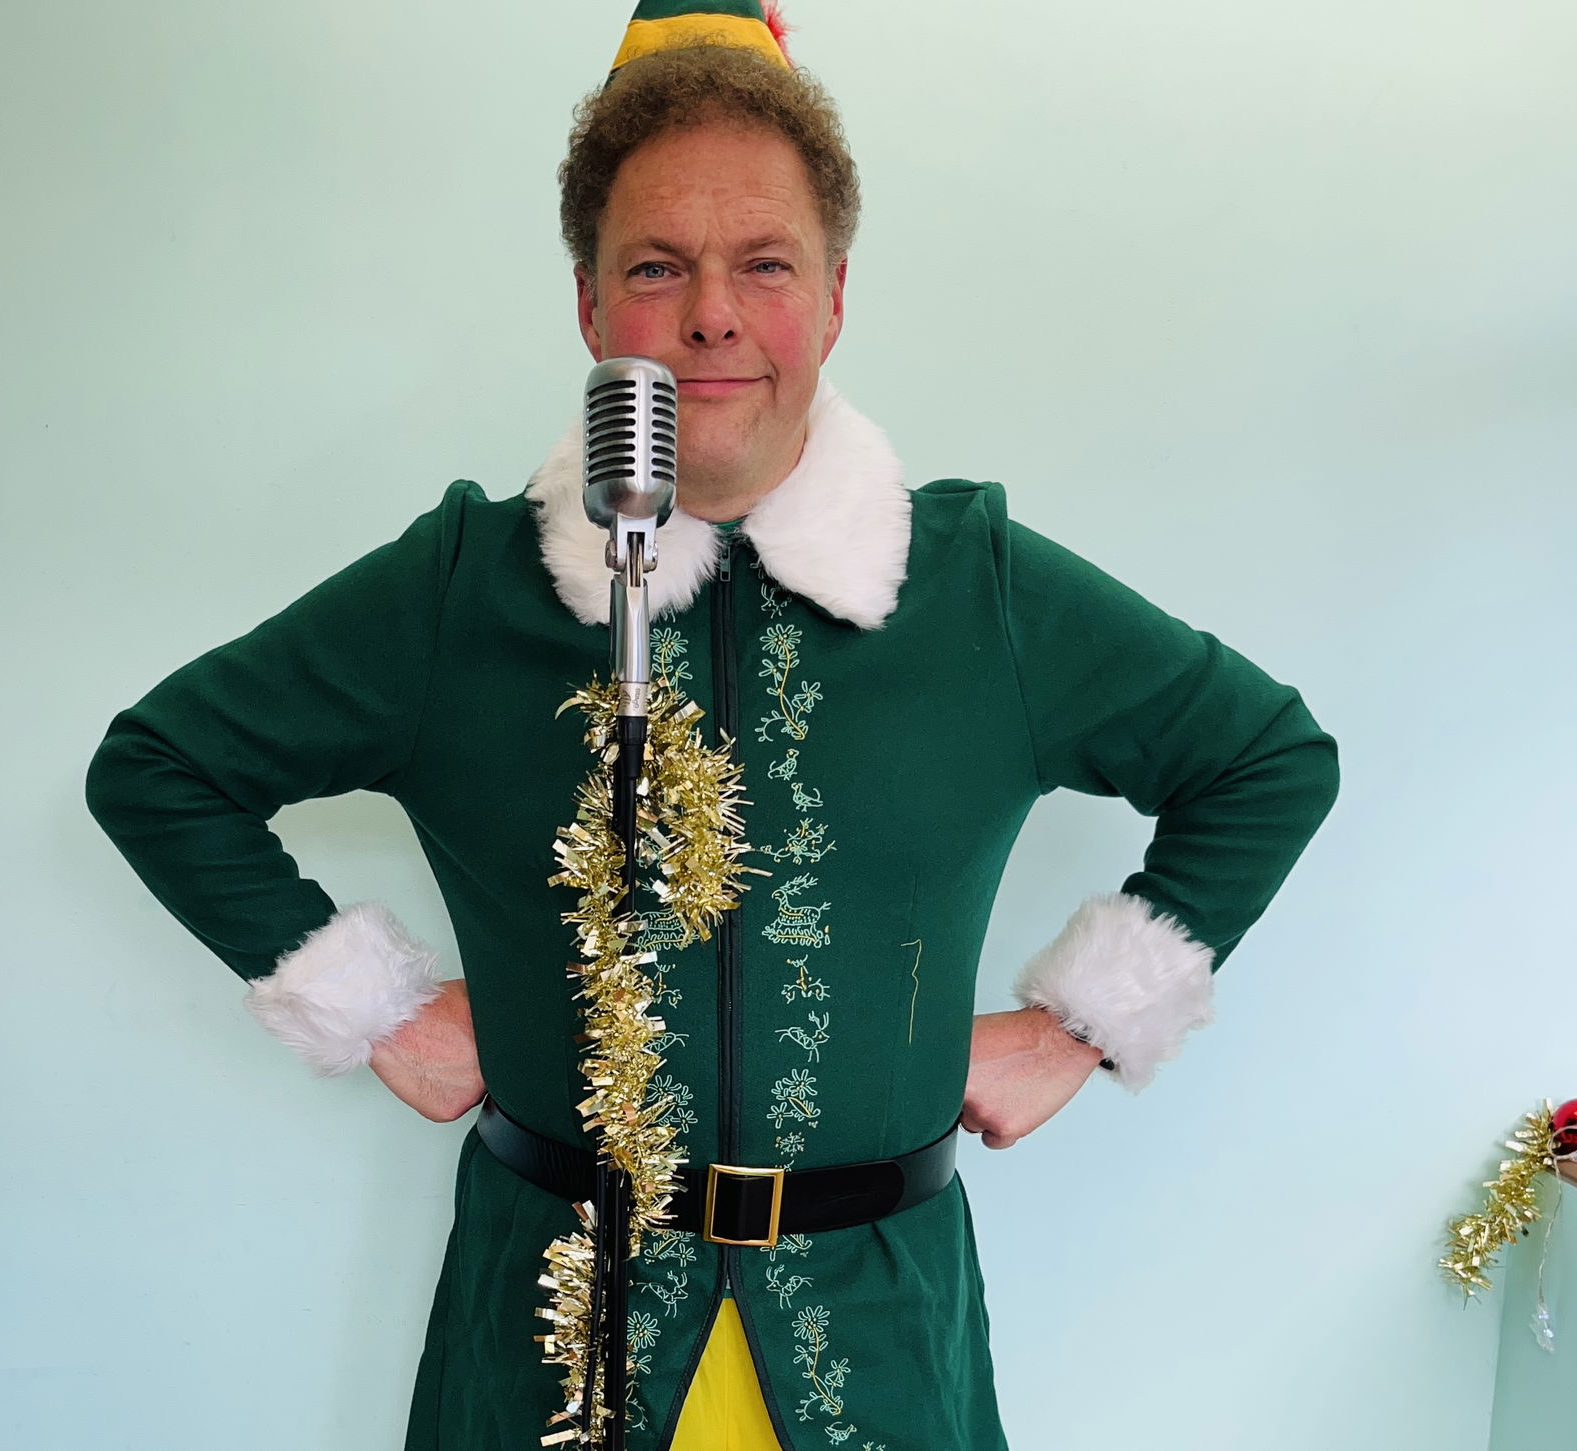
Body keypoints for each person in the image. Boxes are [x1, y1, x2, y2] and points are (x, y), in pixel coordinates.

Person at [83, 4, 1341, 1447]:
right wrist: (373, 1007)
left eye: (765, 263)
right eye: (656, 267)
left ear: (835, 298)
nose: (713, 315)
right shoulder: (462, 588)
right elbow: (161, 766)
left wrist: (1081, 1027)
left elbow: (1267, 760)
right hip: (545, 1342)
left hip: (882, 1342)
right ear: (588, 306)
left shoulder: (977, 588)